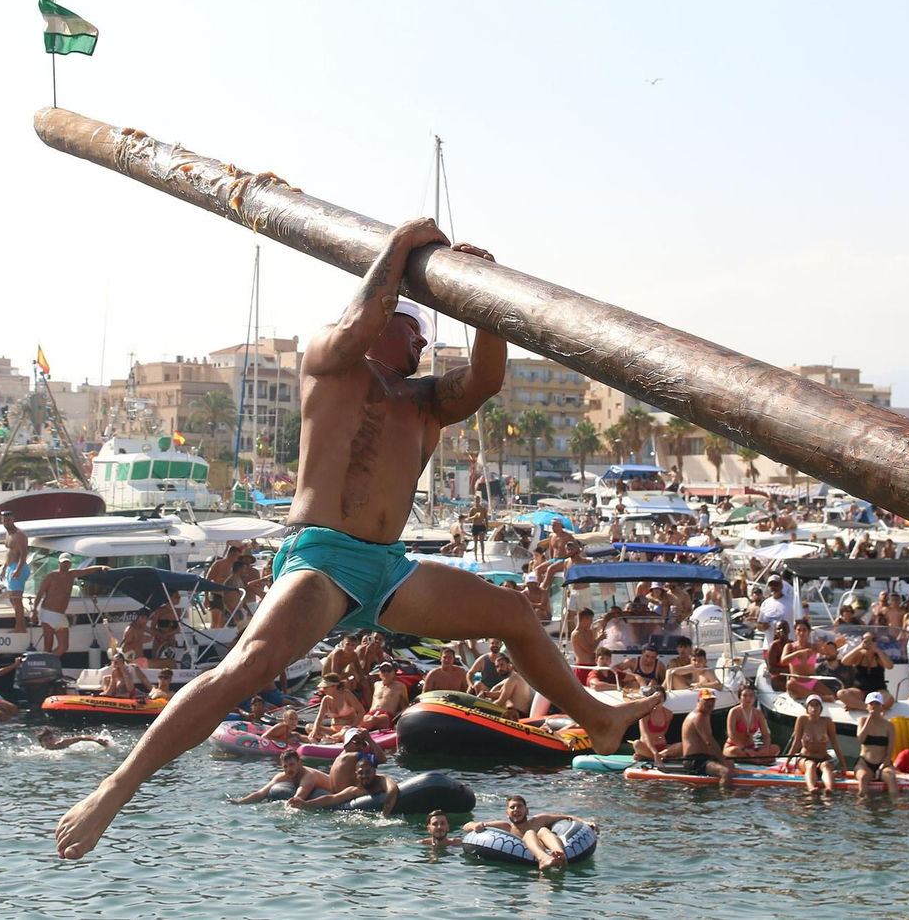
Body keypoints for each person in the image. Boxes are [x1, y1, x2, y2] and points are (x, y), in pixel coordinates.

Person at [53, 224, 659, 859]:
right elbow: (359, 319)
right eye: (414, 330)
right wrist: (401, 245)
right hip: (323, 556)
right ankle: (114, 791)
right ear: (385, 319)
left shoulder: (426, 401)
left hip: (390, 569)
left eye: (428, 337)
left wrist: (484, 303)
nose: (424, 345)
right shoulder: (330, 361)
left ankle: (595, 716)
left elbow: (483, 379)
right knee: (248, 668)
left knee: (512, 613)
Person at [463, 795, 595, 871]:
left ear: (527, 810)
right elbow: (466, 826)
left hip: (551, 847)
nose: (516, 810)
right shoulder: (506, 827)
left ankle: (560, 855)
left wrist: (585, 822)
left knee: (542, 831)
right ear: (507, 813)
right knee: (530, 834)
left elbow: (567, 818)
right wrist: (477, 825)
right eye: (512, 807)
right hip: (530, 856)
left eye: (519, 806)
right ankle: (544, 858)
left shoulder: (539, 820)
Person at [288, 729, 398, 815]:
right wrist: (369, 739)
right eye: (356, 742)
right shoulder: (354, 756)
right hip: (349, 798)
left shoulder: (340, 757)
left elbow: (333, 798)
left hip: (341, 795)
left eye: (362, 743)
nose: (360, 746)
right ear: (346, 744)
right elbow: (383, 759)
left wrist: (305, 804)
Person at [32, 552, 106, 656]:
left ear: (70, 564)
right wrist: (34, 610)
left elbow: (86, 571)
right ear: (59, 563)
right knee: (48, 646)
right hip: (48, 614)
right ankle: (47, 665)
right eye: (63, 563)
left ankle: (49, 661)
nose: (65, 565)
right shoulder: (51, 576)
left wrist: (100, 567)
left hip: (61, 615)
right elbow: (39, 594)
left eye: (67, 563)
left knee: (64, 647)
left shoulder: (72, 574)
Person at [230, 750, 331, 805]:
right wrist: (240, 802)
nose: (288, 770)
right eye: (285, 766)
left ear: (299, 763)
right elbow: (261, 793)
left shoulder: (308, 776)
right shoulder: (282, 776)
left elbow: (299, 798)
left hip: (336, 791)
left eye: (292, 765)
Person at [785, 694, 841, 792]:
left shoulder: (827, 722)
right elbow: (796, 743)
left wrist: (844, 766)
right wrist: (786, 764)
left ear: (821, 708)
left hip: (823, 758)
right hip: (806, 758)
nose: (814, 708)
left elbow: (835, 744)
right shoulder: (802, 720)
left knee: (826, 766)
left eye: (817, 705)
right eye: (811, 705)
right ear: (807, 708)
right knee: (811, 765)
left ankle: (829, 789)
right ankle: (811, 787)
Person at [854, 694, 900, 796]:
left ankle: (893, 806)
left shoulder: (889, 726)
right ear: (867, 706)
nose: (874, 706)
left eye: (877, 704)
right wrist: (869, 718)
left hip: (883, 763)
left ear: (881, 706)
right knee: (863, 778)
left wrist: (882, 767)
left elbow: (889, 751)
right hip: (865, 763)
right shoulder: (862, 720)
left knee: (891, 778)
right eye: (871, 704)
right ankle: (862, 807)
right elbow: (860, 739)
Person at [723, 684, 778, 759]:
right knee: (735, 751)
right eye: (745, 696)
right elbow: (731, 734)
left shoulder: (758, 713)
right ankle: (756, 760)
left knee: (775, 748)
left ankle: (752, 758)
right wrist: (744, 749)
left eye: (751, 696)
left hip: (751, 747)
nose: (748, 698)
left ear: (754, 698)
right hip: (737, 747)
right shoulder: (734, 712)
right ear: (740, 697)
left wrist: (766, 748)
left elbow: (766, 734)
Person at [0, 511, 31, 632]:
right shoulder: (8, 534)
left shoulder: (19, 534)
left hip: (19, 568)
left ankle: (20, 627)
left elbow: (23, 553)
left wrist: (18, 569)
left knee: (17, 599)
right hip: (11, 567)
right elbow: (9, 553)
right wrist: (4, 568)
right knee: (12, 599)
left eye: (8, 520)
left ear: (13, 519)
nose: (6, 522)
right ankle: (21, 623)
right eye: (4, 520)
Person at [313, 673, 366, 739]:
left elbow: (361, 711)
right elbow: (319, 717)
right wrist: (314, 731)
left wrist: (352, 727)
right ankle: (332, 738)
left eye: (326, 687)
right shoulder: (326, 699)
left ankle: (331, 738)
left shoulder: (346, 694)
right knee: (309, 727)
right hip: (333, 730)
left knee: (345, 731)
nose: (324, 690)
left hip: (347, 730)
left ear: (334, 686)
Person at [359, 662, 409, 730]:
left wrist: (401, 722)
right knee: (361, 719)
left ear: (393, 673)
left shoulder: (400, 686)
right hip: (371, 713)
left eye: (389, 670)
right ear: (379, 674)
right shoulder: (376, 684)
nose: (386, 673)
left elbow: (405, 706)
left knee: (373, 719)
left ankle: (356, 731)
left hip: (386, 716)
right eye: (383, 671)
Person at [37, 728, 111, 750]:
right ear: (41, 744)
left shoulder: (62, 743)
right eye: (45, 740)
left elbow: (81, 737)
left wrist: (96, 740)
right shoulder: (39, 751)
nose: (49, 741)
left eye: (50, 738)